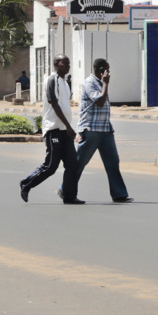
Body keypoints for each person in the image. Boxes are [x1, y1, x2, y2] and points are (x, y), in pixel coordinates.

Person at [19, 55, 83, 204]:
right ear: (56, 64)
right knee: (51, 166)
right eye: (64, 63)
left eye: (69, 63)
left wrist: (68, 127)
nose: (68, 66)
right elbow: (54, 103)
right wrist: (69, 126)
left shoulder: (65, 83)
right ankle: (26, 184)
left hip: (65, 131)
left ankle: (69, 196)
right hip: (54, 129)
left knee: (72, 164)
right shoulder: (52, 80)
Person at [74, 57, 133, 203]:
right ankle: (65, 189)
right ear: (100, 70)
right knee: (80, 162)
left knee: (113, 162)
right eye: (107, 70)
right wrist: (106, 83)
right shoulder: (89, 83)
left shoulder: (100, 83)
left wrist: (104, 83)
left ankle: (119, 194)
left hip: (105, 129)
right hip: (91, 129)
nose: (109, 73)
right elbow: (100, 102)